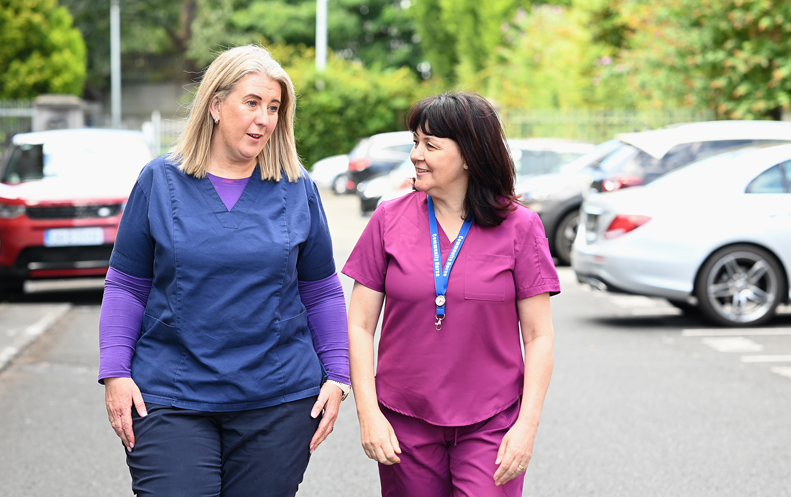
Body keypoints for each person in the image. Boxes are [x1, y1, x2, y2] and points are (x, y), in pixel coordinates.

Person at [98, 45, 351, 497]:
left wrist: (337, 374)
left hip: (277, 400)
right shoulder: (159, 181)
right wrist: (116, 372)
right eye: (251, 102)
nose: (264, 119)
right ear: (215, 105)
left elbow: (321, 290)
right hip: (171, 395)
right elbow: (127, 285)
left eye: (274, 108)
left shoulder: (297, 188)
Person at [343, 92, 558, 497]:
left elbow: (539, 336)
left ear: (469, 156)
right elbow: (359, 323)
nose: (415, 155)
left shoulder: (521, 227)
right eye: (415, 141)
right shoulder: (388, 219)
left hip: (493, 421)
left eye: (430, 145)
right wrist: (367, 412)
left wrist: (526, 427)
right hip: (404, 418)